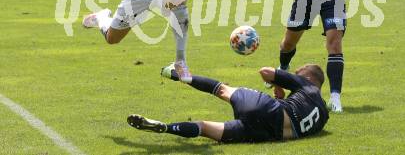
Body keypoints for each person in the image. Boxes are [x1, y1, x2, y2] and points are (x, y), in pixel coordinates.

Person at [127, 64, 329, 143]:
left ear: (309, 79)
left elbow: (265, 72)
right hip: (269, 134)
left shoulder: (306, 84)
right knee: (204, 128)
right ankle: (166, 128)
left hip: (269, 110)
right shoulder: (324, 114)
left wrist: (278, 83)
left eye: (297, 76)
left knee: (222, 89)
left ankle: (175, 73)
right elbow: (299, 115)